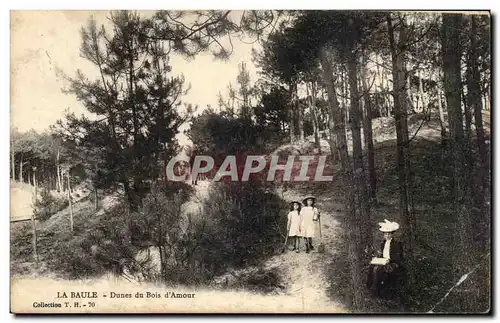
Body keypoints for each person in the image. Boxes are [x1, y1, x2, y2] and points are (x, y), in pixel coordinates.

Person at [366, 219, 405, 300]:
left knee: (379, 270)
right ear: (383, 235)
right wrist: (377, 258)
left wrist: (389, 260)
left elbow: (399, 257)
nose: (387, 236)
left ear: (392, 234)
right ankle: (369, 286)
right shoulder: (383, 243)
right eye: (385, 234)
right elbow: (383, 254)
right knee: (371, 266)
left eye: (389, 234)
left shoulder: (397, 244)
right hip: (385, 261)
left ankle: (375, 290)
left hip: (393, 264)